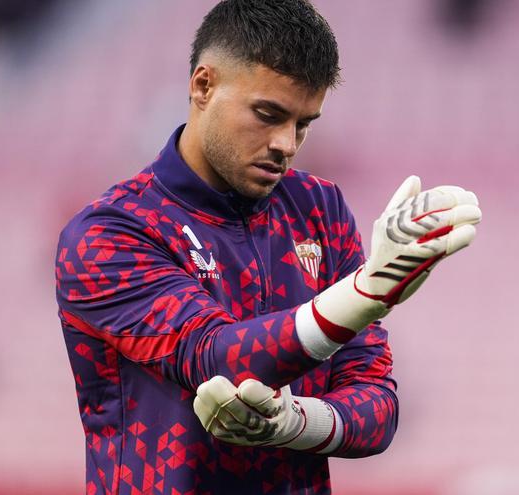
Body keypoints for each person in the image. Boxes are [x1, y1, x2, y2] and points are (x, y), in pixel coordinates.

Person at [54, 0, 481, 493]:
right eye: (268, 114)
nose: (286, 143)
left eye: (303, 123)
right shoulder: (109, 234)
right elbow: (215, 358)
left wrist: (294, 423)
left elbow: (378, 406)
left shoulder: (319, 207)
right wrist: (369, 292)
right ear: (203, 86)